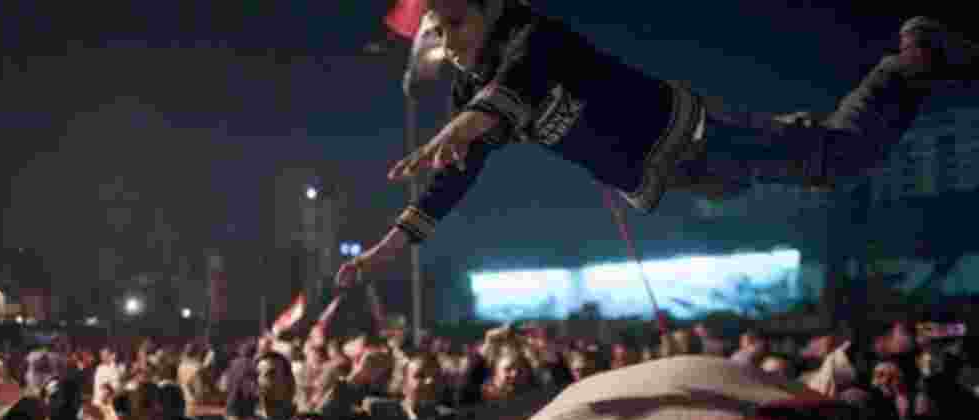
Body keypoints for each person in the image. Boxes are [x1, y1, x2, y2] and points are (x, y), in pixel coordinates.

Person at [335, 4, 977, 289]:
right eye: (439, 33)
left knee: (839, 160)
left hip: (697, 138)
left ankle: (911, 57)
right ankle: (901, 70)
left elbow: (519, 81)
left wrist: (464, 124)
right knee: (819, 158)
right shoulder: (474, 93)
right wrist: (391, 246)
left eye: (454, 25)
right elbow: (454, 175)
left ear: (493, 8)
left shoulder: (534, 36)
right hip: (681, 174)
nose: (448, 44)